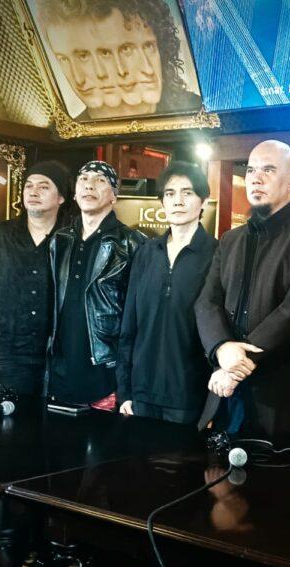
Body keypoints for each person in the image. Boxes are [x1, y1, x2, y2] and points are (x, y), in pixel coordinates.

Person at [194, 140, 290, 441]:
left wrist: (237, 366)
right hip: (227, 397)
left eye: (268, 170)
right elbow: (206, 301)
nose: (256, 179)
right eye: (251, 171)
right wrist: (221, 347)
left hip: (282, 402)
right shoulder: (230, 239)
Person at [117, 162, 217, 423]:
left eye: (187, 192)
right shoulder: (146, 253)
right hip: (141, 393)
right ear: (162, 202)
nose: (178, 201)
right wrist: (124, 390)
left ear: (204, 201)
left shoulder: (217, 254)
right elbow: (129, 326)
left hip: (189, 394)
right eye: (170, 194)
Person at [47, 161, 146, 408]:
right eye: (83, 179)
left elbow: (139, 316)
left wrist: (126, 380)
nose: (89, 185)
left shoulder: (132, 243)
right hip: (60, 370)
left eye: (100, 180)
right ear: (74, 193)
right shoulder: (60, 240)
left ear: (114, 196)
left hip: (106, 372)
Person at [0, 161, 70, 396]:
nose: (33, 192)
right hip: (9, 355)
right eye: (29, 186)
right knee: (10, 418)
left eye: (44, 187)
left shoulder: (72, 238)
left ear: (61, 198)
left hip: (61, 356)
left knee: (59, 420)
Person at [36, 0, 201, 119]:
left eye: (148, 46)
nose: (79, 80)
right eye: (83, 56)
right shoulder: (68, 131)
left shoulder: (197, 109)